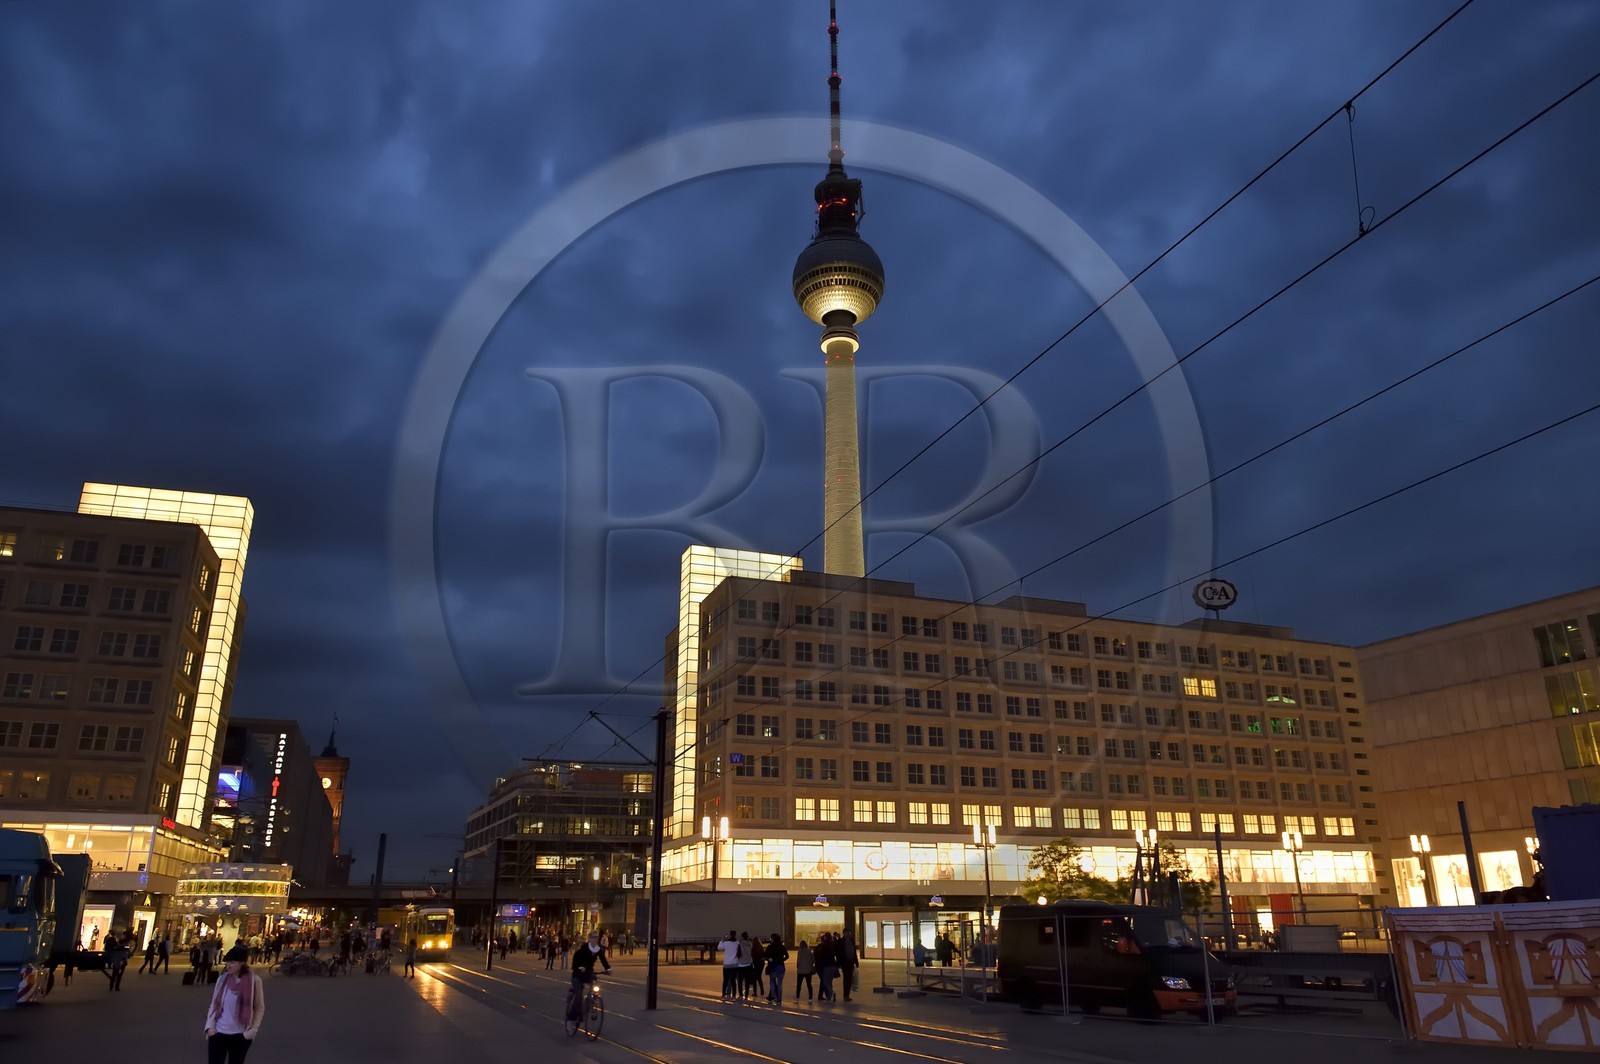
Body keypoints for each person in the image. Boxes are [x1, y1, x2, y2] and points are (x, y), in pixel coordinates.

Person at [205, 944, 265, 1063]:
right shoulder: (222, 980)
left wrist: (252, 1030)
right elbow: (213, 1004)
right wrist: (210, 1027)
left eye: (232, 962)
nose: (228, 965)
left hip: (240, 1035)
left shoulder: (254, 981)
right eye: (227, 962)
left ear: (242, 962)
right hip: (219, 1032)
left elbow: (259, 1007)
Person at [565, 931, 612, 1035]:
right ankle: (571, 1020)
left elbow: (603, 960)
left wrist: (608, 969)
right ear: (589, 939)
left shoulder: (598, 949)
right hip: (578, 975)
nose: (595, 939)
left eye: (597, 938)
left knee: (594, 989)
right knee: (578, 996)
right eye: (593, 937)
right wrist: (580, 967)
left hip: (589, 973)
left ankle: (588, 1008)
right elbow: (577, 960)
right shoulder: (584, 948)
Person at [764, 933, 788, 1004]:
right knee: (780, 984)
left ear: (773, 939)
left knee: (772, 982)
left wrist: (770, 959)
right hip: (781, 966)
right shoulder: (782, 947)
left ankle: (773, 997)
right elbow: (787, 956)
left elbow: (766, 955)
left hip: (773, 966)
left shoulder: (770, 947)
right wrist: (781, 960)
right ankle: (779, 999)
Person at [815, 933, 838, 1002]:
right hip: (832, 965)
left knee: (825, 982)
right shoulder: (833, 945)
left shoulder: (823, 946)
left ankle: (831, 994)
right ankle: (829, 996)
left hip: (825, 966)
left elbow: (821, 956)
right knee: (829, 982)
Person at [718, 930, 739, 999]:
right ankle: (733, 996)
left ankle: (723, 995)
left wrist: (722, 940)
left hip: (727, 964)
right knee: (733, 981)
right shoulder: (737, 943)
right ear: (735, 935)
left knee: (725, 980)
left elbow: (719, 947)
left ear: (730, 935)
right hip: (735, 964)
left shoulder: (726, 943)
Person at [838, 932, 858, 1002]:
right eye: (848, 933)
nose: (849, 934)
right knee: (846, 978)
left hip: (851, 962)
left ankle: (847, 995)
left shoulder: (851, 940)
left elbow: (854, 952)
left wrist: (856, 962)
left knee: (849, 978)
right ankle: (845, 995)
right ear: (844, 933)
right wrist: (839, 963)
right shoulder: (840, 941)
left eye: (849, 933)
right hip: (845, 963)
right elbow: (838, 953)